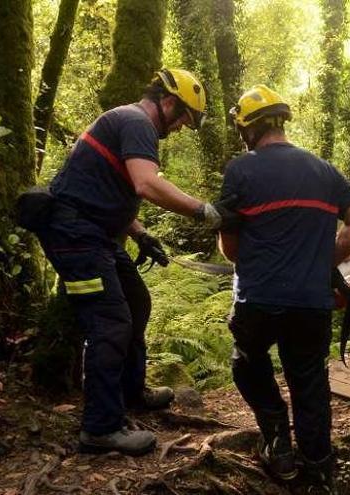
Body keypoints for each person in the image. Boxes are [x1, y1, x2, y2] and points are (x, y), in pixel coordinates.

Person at [33, 69, 235, 457]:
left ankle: (130, 390)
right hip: (76, 236)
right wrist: (204, 211)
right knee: (110, 321)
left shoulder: (125, 121)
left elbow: (109, 191)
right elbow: (145, 183)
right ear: (169, 102)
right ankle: (100, 428)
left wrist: (142, 234)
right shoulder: (137, 122)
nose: (178, 129)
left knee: (137, 302)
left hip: (94, 233)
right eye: (182, 121)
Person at [217, 85, 350, 493]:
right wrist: (327, 256)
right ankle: (319, 469)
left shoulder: (240, 170)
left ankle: (277, 440)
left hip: (258, 299)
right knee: (309, 381)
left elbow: (231, 249)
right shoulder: (324, 170)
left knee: (246, 362)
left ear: (248, 128)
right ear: (281, 121)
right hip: (310, 301)